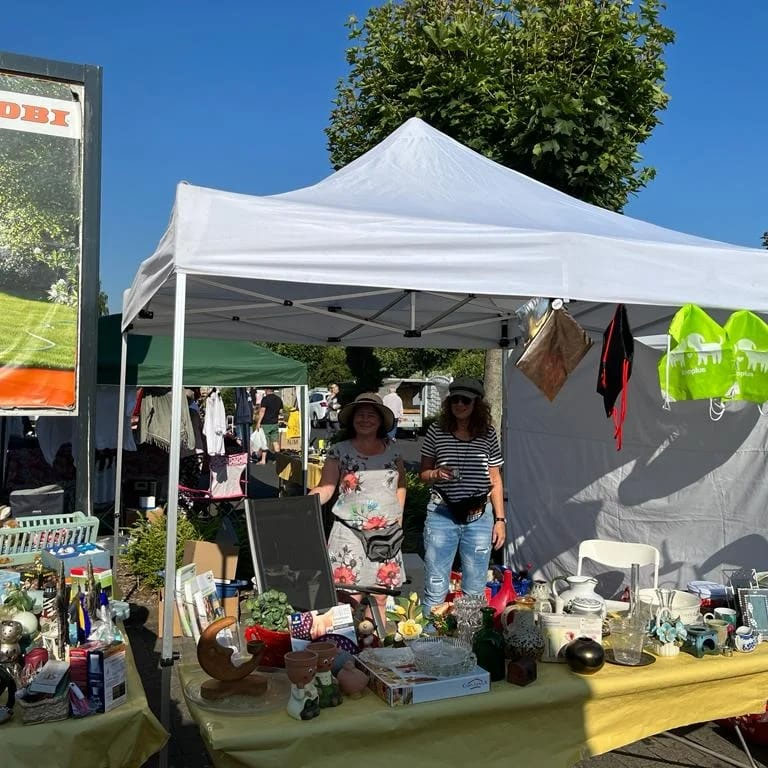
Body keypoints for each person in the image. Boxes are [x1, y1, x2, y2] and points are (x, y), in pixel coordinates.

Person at [419, 377, 505, 616]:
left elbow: (495, 479)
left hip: (478, 515)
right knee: (436, 584)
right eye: (454, 399)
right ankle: (430, 642)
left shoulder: (487, 434)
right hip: (442, 512)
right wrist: (435, 473)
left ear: (476, 403)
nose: (459, 404)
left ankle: (470, 641)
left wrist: (500, 521)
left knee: (475, 587)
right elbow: (422, 474)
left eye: (465, 400)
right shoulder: (437, 430)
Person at [310, 393, 406, 593]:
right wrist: (305, 502)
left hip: (386, 535)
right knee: (348, 596)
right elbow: (327, 488)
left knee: (382, 596)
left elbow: (400, 487)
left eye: (371, 415)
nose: (365, 419)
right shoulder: (339, 450)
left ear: (380, 420)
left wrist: (399, 520)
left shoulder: (393, 451)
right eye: (360, 415)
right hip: (348, 533)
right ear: (352, 420)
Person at [255, 387, 283, 456]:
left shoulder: (265, 399)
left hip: (266, 423)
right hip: (275, 423)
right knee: (275, 441)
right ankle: (278, 458)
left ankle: (263, 459)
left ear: (267, 390)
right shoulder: (278, 399)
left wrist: (258, 422)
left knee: (264, 442)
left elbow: (262, 411)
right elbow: (281, 411)